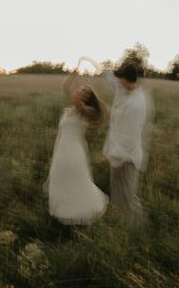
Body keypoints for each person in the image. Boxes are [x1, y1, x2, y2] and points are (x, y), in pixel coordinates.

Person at [79, 57, 150, 222]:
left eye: (120, 78)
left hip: (127, 157)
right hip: (117, 154)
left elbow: (129, 137)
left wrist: (116, 157)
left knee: (127, 197)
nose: (118, 80)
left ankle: (136, 226)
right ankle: (122, 223)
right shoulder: (124, 88)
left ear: (126, 79)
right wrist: (90, 60)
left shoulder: (137, 103)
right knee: (118, 195)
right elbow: (109, 77)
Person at [47, 71, 108, 225]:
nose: (81, 92)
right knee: (60, 178)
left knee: (75, 181)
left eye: (86, 92)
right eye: (81, 89)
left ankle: (81, 212)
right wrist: (73, 73)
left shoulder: (87, 111)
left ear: (89, 98)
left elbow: (76, 101)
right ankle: (62, 211)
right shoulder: (71, 108)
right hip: (61, 149)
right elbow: (65, 86)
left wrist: (78, 94)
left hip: (74, 151)